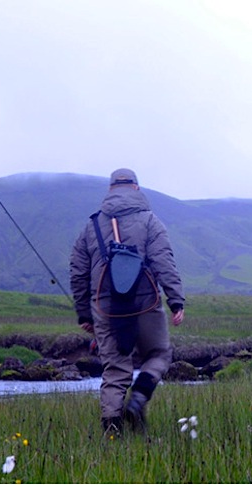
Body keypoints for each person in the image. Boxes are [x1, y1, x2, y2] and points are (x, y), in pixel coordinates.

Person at [70, 168, 185, 436]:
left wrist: (84, 313)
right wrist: (176, 301)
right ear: (136, 188)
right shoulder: (150, 221)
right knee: (159, 353)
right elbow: (164, 261)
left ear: (111, 189)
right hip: (145, 303)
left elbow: (77, 271)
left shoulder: (92, 225)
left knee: (115, 368)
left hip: (105, 307)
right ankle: (138, 399)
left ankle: (112, 430)